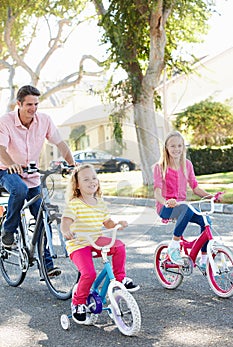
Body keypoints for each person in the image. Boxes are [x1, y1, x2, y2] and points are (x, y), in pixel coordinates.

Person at [0, 85, 75, 275]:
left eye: (36, 104)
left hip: (32, 175)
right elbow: (1, 148)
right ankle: (8, 231)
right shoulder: (6, 121)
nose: (33, 108)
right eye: (29, 105)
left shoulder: (44, 120)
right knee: (19, 190)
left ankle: (47, 266)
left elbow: (60, 143)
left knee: (43, 217)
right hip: (6, 171)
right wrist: (10, 164)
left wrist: (73, 165)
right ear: (19, 104)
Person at [61, 163, 139, 324]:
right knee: (89, 274)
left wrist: (117, 224)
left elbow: (107, 222)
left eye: (94, 178)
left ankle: (120, 278)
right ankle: (78, 303)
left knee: (119, 246)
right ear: (77, 185)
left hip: (95, 239)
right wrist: (66, 230)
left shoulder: (100, 202)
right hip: (79, 244)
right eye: (86, 179)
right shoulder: (75, 203)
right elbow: (65, 221)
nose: (92, 182)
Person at [153, 131, 221, 269]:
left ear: (183, 147)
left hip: (183, 206)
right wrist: (166, 201)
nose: (176, 149)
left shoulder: (187, 165)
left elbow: (195, 188)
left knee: (206, 220)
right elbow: (157, 192)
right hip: (166, 208)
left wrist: (211, 197)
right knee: (186, 209)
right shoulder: (159, 167)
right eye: (172, 146)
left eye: (179, 145)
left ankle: (203, 259)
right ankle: (174, 245)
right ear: (166, 147)